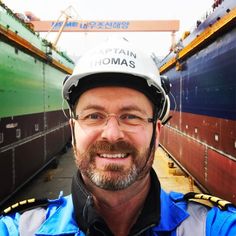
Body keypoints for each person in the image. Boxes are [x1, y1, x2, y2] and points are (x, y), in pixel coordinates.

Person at [0, 38, 235, 236]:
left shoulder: (212, 226)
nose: (112, 135)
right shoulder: (18, 228)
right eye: (93, 116)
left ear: (157, 133)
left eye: (131, 116)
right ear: (73, 131)